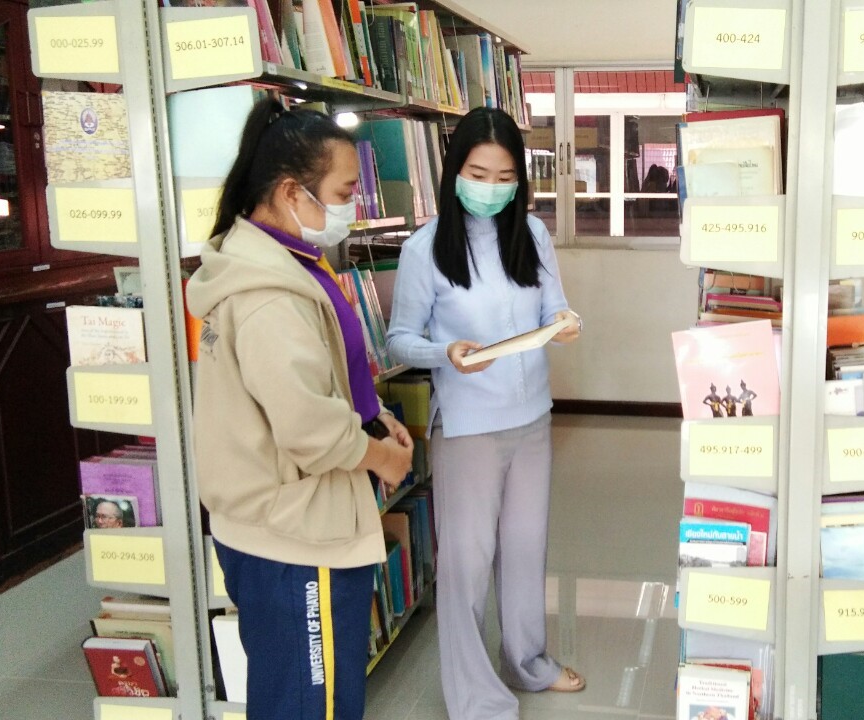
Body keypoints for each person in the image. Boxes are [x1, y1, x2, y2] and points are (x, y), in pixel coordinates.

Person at [186, 99, 414, 720]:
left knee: (295, 695)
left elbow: (319, 377)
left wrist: (373, 417)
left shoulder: (276, 261)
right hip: (294, 542)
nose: (351, 208)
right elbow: (308, 427)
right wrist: (382, 458)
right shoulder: (270, 296)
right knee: (312, 705)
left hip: (281, 527)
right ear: (291, 192)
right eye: (343, 193)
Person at [386, 106, 584, 720]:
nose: (491, 188)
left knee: (525, 549)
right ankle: (475, 697)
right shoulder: (425, 248)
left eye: (505, 177)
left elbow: (555, 307)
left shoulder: (533, 234)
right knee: (467, 565)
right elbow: (399, 340)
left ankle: (529, 662)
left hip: (532, 418)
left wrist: (564, 323)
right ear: (454, 172)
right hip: (469, 425)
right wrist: (444, 353)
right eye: (478, 174)